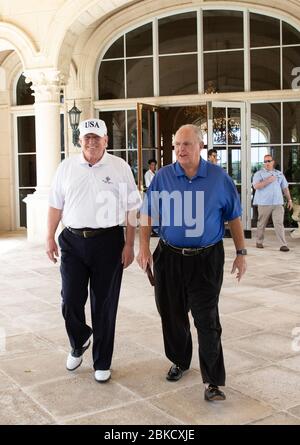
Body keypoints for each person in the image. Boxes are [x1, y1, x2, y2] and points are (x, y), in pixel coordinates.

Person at [137, 124, 247, 402]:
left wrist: (241, 253)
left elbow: (233, 217)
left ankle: (213, 381)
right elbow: (147, 213)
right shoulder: (163, 177)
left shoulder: (218, 178)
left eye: (186, 144)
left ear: (200, 146)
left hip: (206, 259)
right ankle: (180, 360)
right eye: (176, 145)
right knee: (171, 315)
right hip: (169, 257)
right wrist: (144, 248)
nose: (180, 150)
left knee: (207, 319)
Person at [46, 118, 141, 383]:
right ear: (79, 140)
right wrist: (49, 237)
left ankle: (102, 361)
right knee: (70, 300)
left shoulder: (119, 167)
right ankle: (79, 340)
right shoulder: (66, 167)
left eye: (96, 137)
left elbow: (132, 208)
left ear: (106, 140)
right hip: (72, 241)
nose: (91, 141)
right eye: (87, 137)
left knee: (104, 304)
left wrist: (129, 244)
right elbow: (55, 205)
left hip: (108, 242)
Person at [252, 154, 293, 252]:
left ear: (273, 162)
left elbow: (285, 188)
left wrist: (290, 200)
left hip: (278, 203)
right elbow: (256, 186)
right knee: (262, 223)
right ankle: (259, 241)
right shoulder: (259, 174)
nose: (267, 163)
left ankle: (283, 244)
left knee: (279, 223)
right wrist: (268, 180)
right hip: (264, 203)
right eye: (265, 161)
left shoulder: (279, 174)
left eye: (269, 161)